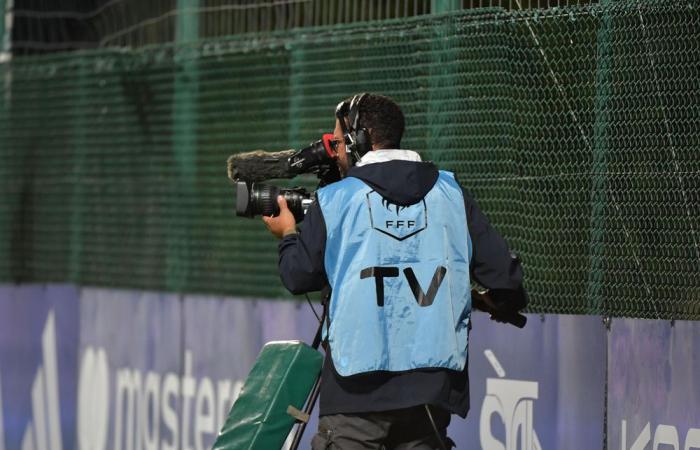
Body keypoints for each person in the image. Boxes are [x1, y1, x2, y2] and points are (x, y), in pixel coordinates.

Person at [262, 93, 527, 449]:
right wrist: (494, 300)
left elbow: (297, 275)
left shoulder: (337, 199)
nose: (334, 152)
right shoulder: (451, 191)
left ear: (358, 140)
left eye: (338, 141)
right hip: (430, 392)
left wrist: (288, 234)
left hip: (355, 392)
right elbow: (505, 278)